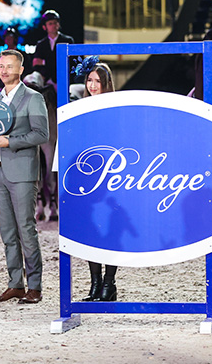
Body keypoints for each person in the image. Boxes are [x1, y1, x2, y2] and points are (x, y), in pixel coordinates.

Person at [0, 49, 49, 304]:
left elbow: (42, 134)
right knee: (8, 233)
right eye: (1, 66)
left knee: (26, 230)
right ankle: (16, 284)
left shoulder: (33, 98)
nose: (4, 70)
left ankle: (35, 287)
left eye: (9, 66)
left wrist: (11, 142)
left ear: (20, 69)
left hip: (22, 173)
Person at [76, 57, 120, 301]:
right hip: (88, 178)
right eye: (89, 80)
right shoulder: (79, 109)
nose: (92, 85)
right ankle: (95, 284)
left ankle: (108, 283)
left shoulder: (115, 109)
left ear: (106, 83)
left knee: (111, 231)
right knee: (90, 230)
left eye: (97, 81)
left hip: (111, 178)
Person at [32, 10, 75, 89]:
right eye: (50, 23)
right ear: (44, 27)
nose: (54, 25)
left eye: (55, 22)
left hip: (64, 79)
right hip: (46, 81)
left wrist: (44, 62)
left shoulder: (68, 41)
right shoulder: (41, 44)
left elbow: (70, 62)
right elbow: (36, 63)